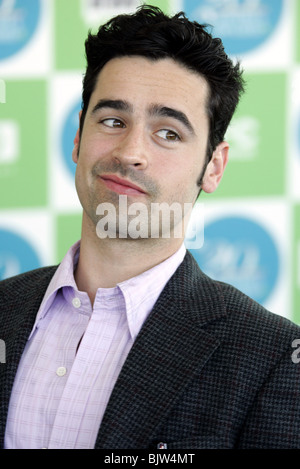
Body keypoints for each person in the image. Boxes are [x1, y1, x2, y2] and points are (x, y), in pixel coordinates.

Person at [1, 4, 300, 450]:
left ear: (214, 167)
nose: (130, 151)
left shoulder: (273, 356)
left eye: (169, 133)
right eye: (113, 121)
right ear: (79, 136)